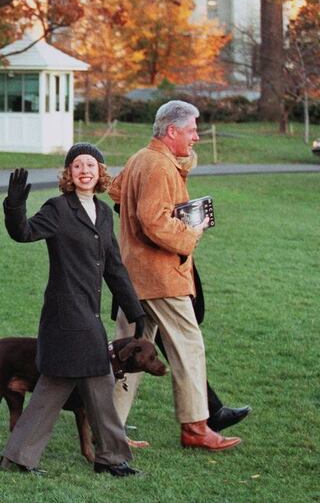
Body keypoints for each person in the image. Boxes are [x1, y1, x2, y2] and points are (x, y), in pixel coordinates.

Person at [0, 143, 146, 478]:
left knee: (77, 385)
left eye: (90, 165)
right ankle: (106, 458)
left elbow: (114, 269)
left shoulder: (105, 213)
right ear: (69, 173)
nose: (84, 171)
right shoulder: (58, 209)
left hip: (88, 315)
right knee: (79, 383)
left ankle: (102, 457)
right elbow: (22, 233)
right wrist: (14, 205)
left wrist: (135, 310)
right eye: (77, 165)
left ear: (100, 172)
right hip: (66, 318)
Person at [109, 100, 242, 451]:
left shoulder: (142, 157)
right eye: (191, 130)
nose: (196, 136)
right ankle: (196, 429)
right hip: (161, 276)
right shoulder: (158, 166)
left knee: (126, 352)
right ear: (172, 131)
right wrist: (191, 233)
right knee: (188, 347)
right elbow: (154, 220)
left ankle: (108, 430)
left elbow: (117, 192)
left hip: (132, 275)